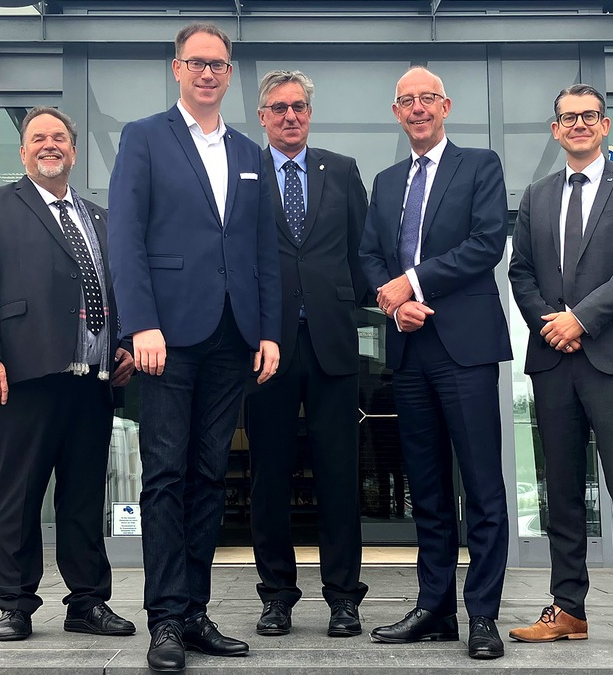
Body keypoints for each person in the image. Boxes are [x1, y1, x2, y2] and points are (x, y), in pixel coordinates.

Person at [106, 22, 281, 674]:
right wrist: (140, 324)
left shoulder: (249, 151)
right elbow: (126, 238)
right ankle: (165, 619)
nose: (208, 73)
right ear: (176, 68)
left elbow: (262, 250)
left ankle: (197, 610)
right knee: (166, 476)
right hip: (168, 339)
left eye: (218, 64)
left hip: (232, 337)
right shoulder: (145, 138)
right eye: (197, 62)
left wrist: (268, 331)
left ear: (229, 74)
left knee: (210, 475)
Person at [0, 106, 136, 643]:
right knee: (19, 496)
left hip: (92, 380)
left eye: (59, 138)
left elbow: (115, 286)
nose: (49, 145)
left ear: (73, 151)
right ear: (23, 151)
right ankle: (14, 604)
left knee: (82, 499)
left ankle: (87, 603)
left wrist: (121, 344)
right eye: (38, 138)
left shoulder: (98, 216)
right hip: (22, 376)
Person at [506, 83, 613, 656]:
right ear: (555, 129)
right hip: (554, 362)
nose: (578, 125)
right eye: (567, 118)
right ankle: (568, 608)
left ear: (604, 126)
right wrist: (551, 322)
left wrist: (581, 319)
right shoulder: (537, 195)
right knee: (563, 493)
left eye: (589, 116)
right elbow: (519, 271)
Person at [359, 66, 512, 661]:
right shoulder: (387, 179)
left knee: (481, 486)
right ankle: (435, 608)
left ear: (445, 105)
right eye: (406, 101)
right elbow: (370, 255)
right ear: (396, 113)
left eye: (427, 98)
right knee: (425, 489)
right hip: (410, 349)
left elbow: (486, 244)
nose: (417, 108)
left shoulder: (481, 165)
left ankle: (483, 615)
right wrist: (396, 307)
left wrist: (411, 284)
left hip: (465, 347)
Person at [243, 69, 370, 640]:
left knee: (340, 477)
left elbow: (361, 252)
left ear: (308, 114)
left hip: (333, 345)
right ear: (262, 116)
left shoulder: (341, 171)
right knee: (267, 477)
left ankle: (344, 598)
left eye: (298, 107)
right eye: (278, 108)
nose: (289, 116)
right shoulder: (242, 172)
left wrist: (395, 296)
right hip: (265, 349)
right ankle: (276, 597)